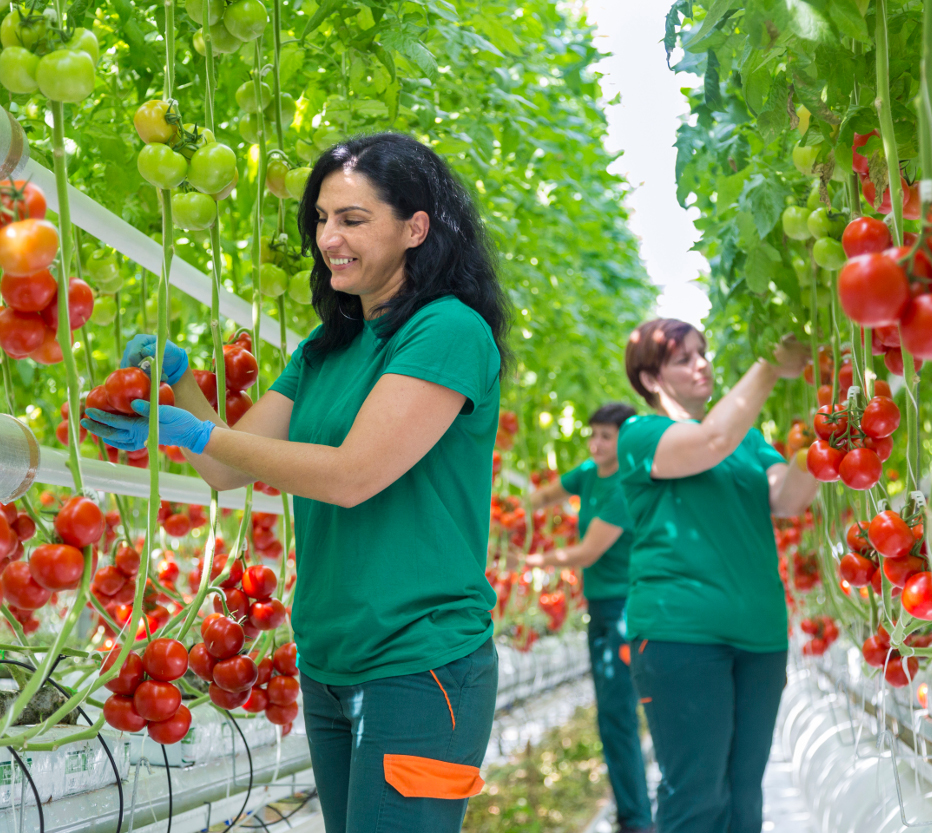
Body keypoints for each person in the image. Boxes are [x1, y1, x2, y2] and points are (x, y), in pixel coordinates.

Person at [83, 133, 509, 833]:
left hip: (420, 664)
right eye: (320, 217)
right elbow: (227, 464)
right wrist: (182, 381)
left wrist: (195, 432)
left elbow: (352, 476)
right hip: (331, 660)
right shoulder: (326, 347)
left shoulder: (448, 331)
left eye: (352, 219)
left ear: (415, 228)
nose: (328, 237)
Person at [617, 319, 816, 833]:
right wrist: (771, 363)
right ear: (651, 380)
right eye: (683, 358)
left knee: (744, 795)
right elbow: (708, 441)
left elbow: (788, 497)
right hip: (678, 636)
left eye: (702, 353)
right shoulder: (641, 435)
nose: (701, 363)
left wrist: (826, 433)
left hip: (760, 638)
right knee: (697, 792)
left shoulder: (748, 443)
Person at [528, 402, 653, 833]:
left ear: (625, 441)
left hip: (622, 613)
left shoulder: (622, 486)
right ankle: (634, 814)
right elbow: (545, 496)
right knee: (612, 716)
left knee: (618, 716)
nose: (596, 443)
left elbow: (587, 552)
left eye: (606, 436)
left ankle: (637, 820)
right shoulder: (589, 472)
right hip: (602, 611)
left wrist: (531, 557)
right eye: (593, 433)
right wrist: (519, 508)